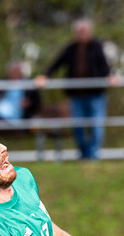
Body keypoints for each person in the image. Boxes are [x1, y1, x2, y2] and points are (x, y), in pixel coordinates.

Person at [35, 18, 118, 160]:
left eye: (85, 31)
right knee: (77, 126)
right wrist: (45, 76)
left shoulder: (97, 46)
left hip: (96, 94)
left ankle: (93, 155)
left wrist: (110, 76)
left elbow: (104, 65)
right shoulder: (71, 48)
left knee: (96, 126)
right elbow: (57, 63)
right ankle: (84, 154)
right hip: (77, 95)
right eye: (80, 31)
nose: (83, 34)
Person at [0, 60, 42, 125]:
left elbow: (37, 103)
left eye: (17, 71)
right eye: (14, 71)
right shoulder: (3, 83)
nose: (15, 73)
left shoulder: (29, 85)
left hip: (17, 117)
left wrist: (29, 103)